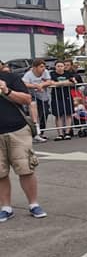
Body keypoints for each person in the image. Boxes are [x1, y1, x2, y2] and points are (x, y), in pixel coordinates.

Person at [0, 68, 47, 221]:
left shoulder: (10, 77)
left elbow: (27, 99)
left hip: (18, 131)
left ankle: (33, 204)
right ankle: (6, 207)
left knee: (26, 169)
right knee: (0, 173)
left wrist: (6, 91)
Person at [22, 59, 52, 142]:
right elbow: (24, 83)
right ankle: (36, 133)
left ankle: (41, 132)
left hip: (43, 96)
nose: (43, 68)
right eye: (41, 67)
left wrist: (41, 85)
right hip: (32, 96)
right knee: (35, 115)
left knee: (45, 113)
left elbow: (49, 81)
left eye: (44, 66)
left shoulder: (45, 72)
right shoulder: (29, 74)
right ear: (35, 68)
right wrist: (35, 86)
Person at [49, 60, 76, 140]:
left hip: (67, 96)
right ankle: (60, 134)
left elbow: (73, 82)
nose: (60, 68)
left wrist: (58, 83)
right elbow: (51, 82)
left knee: (68, 114)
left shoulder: (68, 74)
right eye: (58, 66)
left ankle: (67, 132)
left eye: (61, 66)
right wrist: (65, 82)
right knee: (58, 115)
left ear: (64, 67)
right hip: (56, 97)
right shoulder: (52, 74)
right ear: (55, 67)